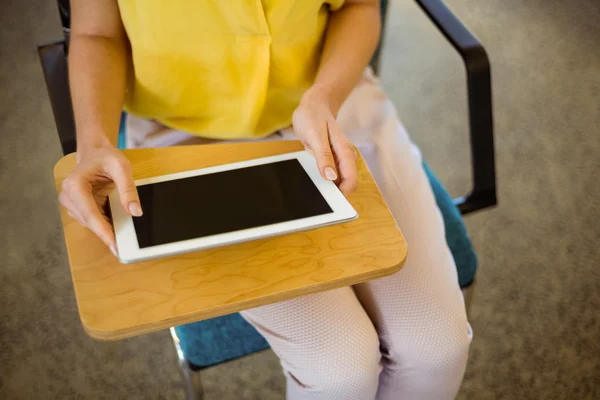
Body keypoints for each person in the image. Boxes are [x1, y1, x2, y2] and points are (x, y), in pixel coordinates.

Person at [59, 1, 472, 399]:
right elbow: (97, 32)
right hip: (185, 131)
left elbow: (359, 6)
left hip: (330, 102)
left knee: (437, 347)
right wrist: (93, 140)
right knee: (339, 368)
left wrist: (323, 96)